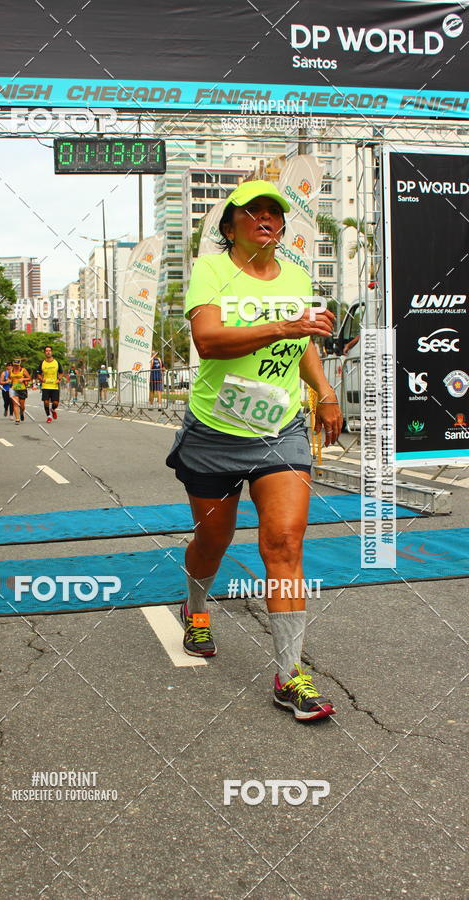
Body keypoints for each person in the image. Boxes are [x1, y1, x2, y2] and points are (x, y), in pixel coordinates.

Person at [166, 180, 343, 722]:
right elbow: (209, 341)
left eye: (275, 213)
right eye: (253, 212)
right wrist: (285, 324)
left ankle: (290, 676)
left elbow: (303, 342)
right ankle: (196, 608)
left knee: (285, 544)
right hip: (217, 429)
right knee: (213, 541)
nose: (266, 218)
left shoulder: (295, 275)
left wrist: (326, 390)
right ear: (230, 226)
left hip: (281, 429)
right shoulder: (212, 271)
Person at [37, 345, 63, 423]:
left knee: (55, 403)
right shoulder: (42, 363)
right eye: (46, 351)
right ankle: (48, 416)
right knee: (46, 402)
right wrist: (41, 379)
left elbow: (61, 372)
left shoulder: (56, 362)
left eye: (49, 351)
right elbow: (38, 373)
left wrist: (59, 379)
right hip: (45, 386)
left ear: (51, 352)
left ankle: (53, 409)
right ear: (45, 353)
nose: (48, 352)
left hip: (54, 386)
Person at [9, 358, 30, 424]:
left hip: (22, 389)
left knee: (22, 405)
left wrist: (23, 379)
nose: (16, 366)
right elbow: (10, 378)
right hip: (14, 389)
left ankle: (21, 413)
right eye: (15, 365)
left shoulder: (23, 370)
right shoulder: (11, 371)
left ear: (19, 364)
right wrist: (9, 381)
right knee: (15, 404)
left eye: (17, 365)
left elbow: (29, 378)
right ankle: (17, 419)